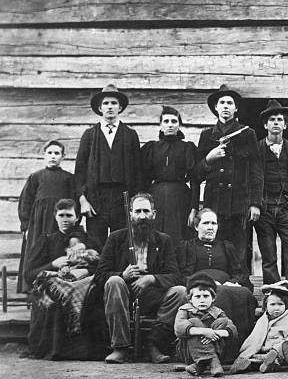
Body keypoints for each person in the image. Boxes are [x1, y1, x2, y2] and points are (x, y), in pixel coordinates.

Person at [95, 193, 186, 364]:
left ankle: (154, 344)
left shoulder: (164, 240)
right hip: (122, 294)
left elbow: (175, 275)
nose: (142, 216)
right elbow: (100, 275)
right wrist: (122, 275)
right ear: (130, 214)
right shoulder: (115, 238)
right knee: (114, 282)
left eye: (146, 211)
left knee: (180, 292)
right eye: (138, 211)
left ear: (154, 214)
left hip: (153, 295)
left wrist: (151, 278)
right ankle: (120, 347)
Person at [25, 199, 104, 360]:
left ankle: (84, 350)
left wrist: (84, 270)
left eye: (69, 215)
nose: (65, 219)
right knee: (54, 294)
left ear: (77, 218)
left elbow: (103, 267)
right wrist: (53, 264)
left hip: (84, 286)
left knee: (91, 293)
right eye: (61, 215)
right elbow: (29, 273)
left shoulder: (89, 240)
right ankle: (55, 349)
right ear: (55, 217)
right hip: (55, 286)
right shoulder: (46, 240)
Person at [177, 208, 258, 362]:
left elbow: (241, 272)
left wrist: (233, 282)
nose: (210, 227)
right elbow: (183, 275)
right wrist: (206, 283)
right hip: (200, 288)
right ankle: (211, 352)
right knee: (218, 293)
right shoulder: (187, 247)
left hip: (227, 286)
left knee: (244, 294)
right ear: (196, 227)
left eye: (213, 223)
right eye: (206, 223)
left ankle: (238, 350)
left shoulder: (227, 246)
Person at [195, 85, 263, 269]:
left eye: (230, 103)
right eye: (222, 103)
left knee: (239, 249)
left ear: (236, 108)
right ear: (216, 108)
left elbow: (256, 170)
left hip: (238, 203)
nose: (226, 106)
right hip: (214, 202)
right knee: (215, 247)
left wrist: (255, 202)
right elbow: (196, 172)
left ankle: (240, 286)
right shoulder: (207, 135)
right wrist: (209, 159)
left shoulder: (247, 134)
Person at [75, 84, 142, 245]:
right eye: (106, 103)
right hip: (96, 199)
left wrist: (135, 202)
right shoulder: (89, 135)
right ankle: (98, 271)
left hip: (123, 199)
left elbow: (138, 171)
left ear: (120, 107)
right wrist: (83, 200)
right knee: (96, 244)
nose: (110, 107)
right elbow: (79, 171)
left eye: (114, 103)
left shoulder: (130, 135)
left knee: (121, 244)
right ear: (100, 108)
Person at [254, 100, 288, 284]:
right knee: (268, 255)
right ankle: (273, 293)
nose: (276, 122)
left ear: (285, 124)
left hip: (285, 208)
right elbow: (252, 179)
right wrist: (256, 203)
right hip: (265, 208)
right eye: (272, 119)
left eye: (279, 119)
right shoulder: (257, 148)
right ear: (265, 125)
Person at [18, 140, 76, 293]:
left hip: (58, 224)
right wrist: (25, 227)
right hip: (38, 224)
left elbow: (74, 203)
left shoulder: (69, 178)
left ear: (63, 157)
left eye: (57, 153)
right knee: (36, 252)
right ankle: (32, 288)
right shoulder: (35, 177)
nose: (52, 156)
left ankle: (57, 288)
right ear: (44, 155)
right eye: (49, 153)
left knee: (57, 251)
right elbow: (25, 201)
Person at [141, 106, 198, 243]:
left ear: (179, 125)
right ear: (160, 126)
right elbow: (144, 179)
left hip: (180, 198)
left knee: (178, 235)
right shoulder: (152, 148)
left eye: (174, 121)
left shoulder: (187, 148)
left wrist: (194, 208)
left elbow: (195, 179)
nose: (170, 125)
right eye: (166, 121)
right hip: (156, 197)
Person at [174, 272, 237, 377]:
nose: (202, 300)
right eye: (198, 296)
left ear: (212, 298)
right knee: (195, 322)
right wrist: (204, 331)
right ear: (190, 299)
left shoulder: (217, 311)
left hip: (216, 348)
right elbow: (179, 328)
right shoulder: (185, 310)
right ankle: (213, 362)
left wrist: (214, 333)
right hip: (189, 352)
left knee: (223, 321)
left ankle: (200, 365)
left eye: (206, 296)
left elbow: (233, 330)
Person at [229, 280, 288, 374]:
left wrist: (277, 349)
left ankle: (270, 364)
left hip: (278, 351)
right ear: (266, 306)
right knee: (254, 357)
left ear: (286, 306)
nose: (276, 308)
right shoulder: (263, 319)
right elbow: (255, 337)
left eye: (280, 304)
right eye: (272, 304)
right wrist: (246, 353)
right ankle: (250, 363)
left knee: (280, 359)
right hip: (262, 351)